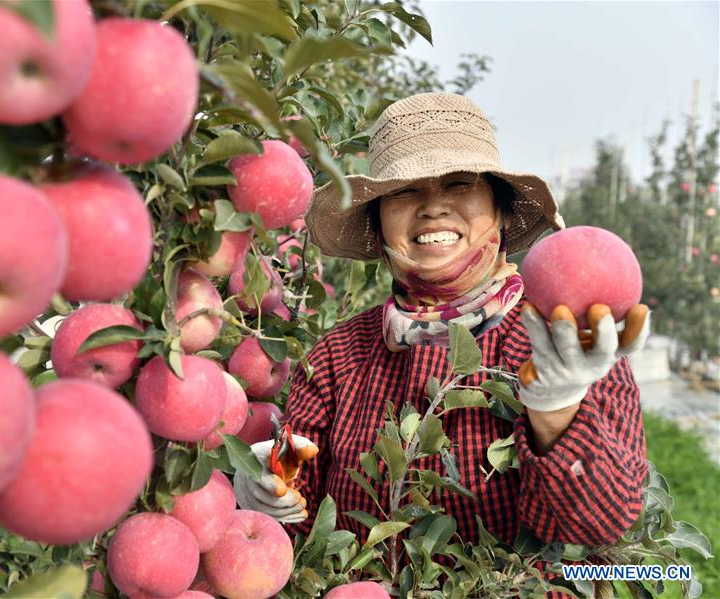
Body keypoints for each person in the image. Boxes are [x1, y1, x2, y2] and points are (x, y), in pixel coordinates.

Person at [233, 93, 651, 592]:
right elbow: (300, 523)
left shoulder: (562, 345)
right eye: (405, 191)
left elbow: (599, 526)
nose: (433, 206)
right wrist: (267, 493)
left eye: (459, 183)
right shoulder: (338, 356)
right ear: (379, 220)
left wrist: (559, 411)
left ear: (499, 208)